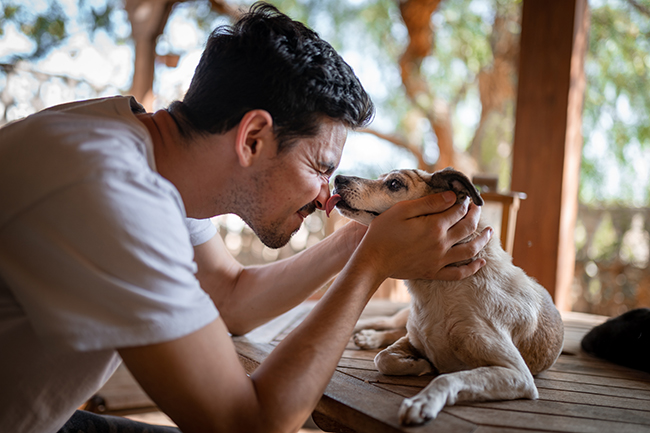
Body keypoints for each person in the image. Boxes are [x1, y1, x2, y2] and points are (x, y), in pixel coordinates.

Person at [0, 3, 491, 433]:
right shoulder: (112, 191)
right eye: (321, 168)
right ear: (253, 137)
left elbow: (230, 298)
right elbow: (246, 423)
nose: (327, 195)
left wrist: (367, 237)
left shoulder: (143, 153)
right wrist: (372, 265)